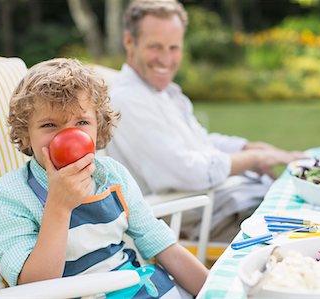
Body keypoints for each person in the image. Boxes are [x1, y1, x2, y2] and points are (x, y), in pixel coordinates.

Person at [0, 58, 208, 298]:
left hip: (137, 287)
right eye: (49, 125)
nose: (68, 136)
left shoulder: (112, 175)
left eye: (82, 122)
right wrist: (58, 206)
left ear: (98, 127)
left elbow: (163, 247)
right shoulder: (7, 196)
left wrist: (219, 291)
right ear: (25, 135)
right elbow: (33, 287)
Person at [107, 0, 305, 241]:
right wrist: (255, 159)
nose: (166, 59)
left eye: (174, 47)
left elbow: (198, 141)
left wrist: (246, 147)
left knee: (307, 203)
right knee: (305, 228)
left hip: (226, 204)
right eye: (155, 47)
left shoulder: (166, 93)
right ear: (129, 42)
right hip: (198, 223)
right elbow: (188, 171)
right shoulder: (128, 100)